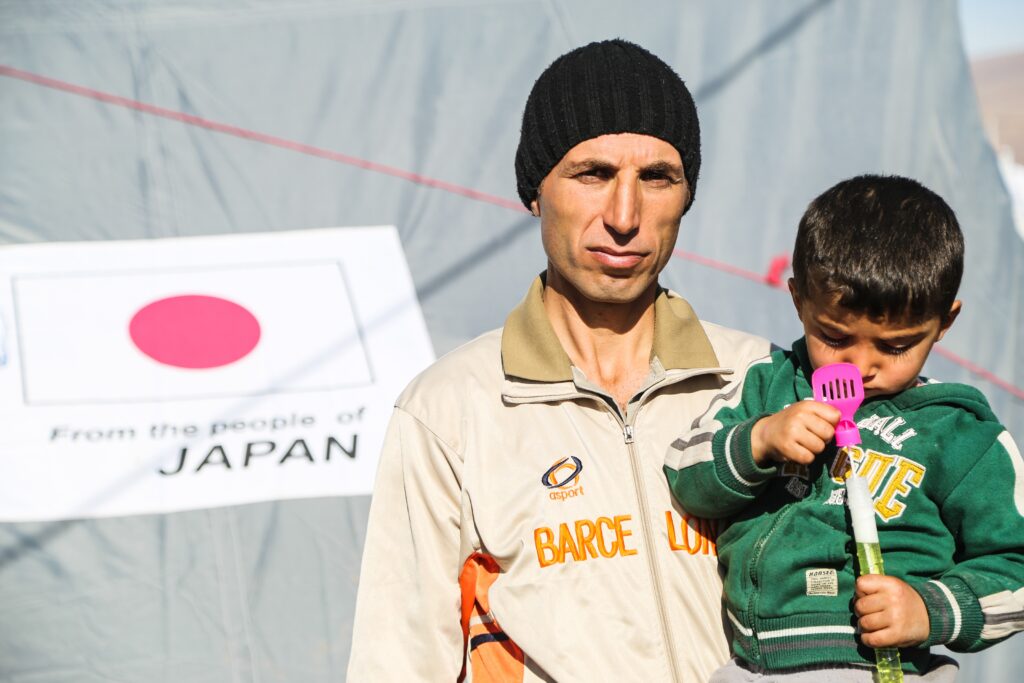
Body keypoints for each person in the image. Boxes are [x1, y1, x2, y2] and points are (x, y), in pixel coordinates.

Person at [347, 39, 770, 681]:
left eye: (657, 177)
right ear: (534, 192)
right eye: (592, 174)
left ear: (686, 195)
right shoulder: (451, 410)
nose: (625, 217)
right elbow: (396, 662)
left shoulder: (764, 381)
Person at [665, 174, 1024, 682]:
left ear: (944, 323)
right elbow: (684, 469)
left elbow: (1017, 566)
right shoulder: (767, 388)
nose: (860, 365)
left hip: (888, 670)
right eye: (834, 337)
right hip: (753, 667)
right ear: (797, 300)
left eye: (895, 346)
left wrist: (930, 610)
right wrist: (760, 440)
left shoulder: (959, 432)